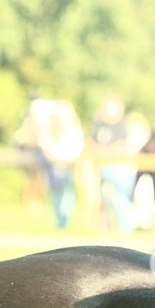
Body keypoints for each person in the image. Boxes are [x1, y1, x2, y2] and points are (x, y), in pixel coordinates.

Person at [90, 93, 135, 233]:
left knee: (119, 199)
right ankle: (103, 229)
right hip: (100, 166)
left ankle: (125, 229)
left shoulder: (122, 125)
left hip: (118, 169)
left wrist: (105, 152)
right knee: (101, 201)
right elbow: (90, 142)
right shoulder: (98, 124)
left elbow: (121, 145)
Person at [36, 101, 85, 230]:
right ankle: (58, 219)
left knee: (66, 193)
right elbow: (45, 146)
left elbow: (75, 150)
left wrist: (62, 160)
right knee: (55, 193)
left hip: (68, 166)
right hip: (52, 167)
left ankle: (64, 218)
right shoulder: (49, 131)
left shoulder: (73, 131)